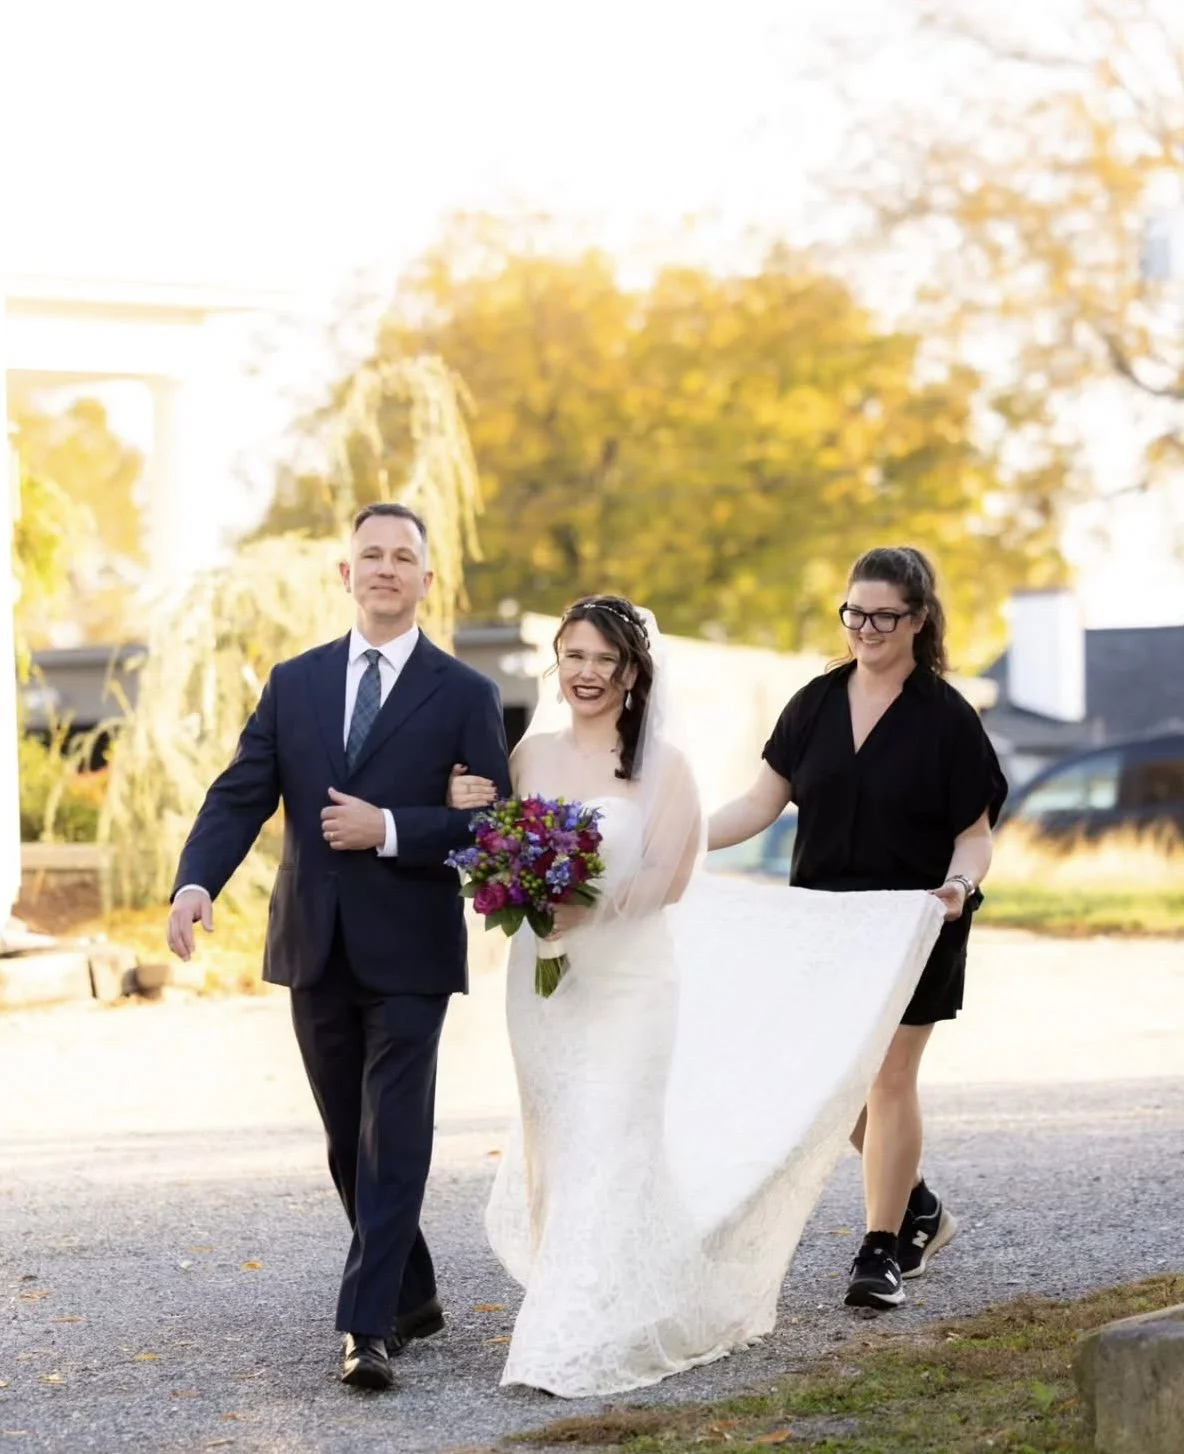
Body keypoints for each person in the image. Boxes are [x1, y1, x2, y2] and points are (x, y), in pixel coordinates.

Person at [445, 595, 946, 1396]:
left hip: (631, 987)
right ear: (558, 662)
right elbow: (501, 844)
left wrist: (589, 901)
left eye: (606, 661)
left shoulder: (664, 766)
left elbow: (671, 878)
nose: (588, 674)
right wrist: (515, 883)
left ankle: (576, 1326)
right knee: (556, 1137)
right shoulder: (527, 756)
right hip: (546, 986)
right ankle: (598, 1284)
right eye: (575, 656)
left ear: (634, 673)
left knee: (613, 1134)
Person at [164, 502, 511, 1392]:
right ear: (345, 574)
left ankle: (367, 1329)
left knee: (392, 1136)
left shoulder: (466, 694)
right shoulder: (295, 682)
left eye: (404, 557)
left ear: (427, 580)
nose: (387, 568)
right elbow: (241, 793)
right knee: (344, 1144)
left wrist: (391, 827)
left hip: (411, 953)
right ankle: (416, 1289)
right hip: (313, 945)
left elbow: (495, 830)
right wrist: (197, 881)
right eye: (372, 555)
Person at [707, 546, 1007, 1312]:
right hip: (827, 925)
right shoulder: (812, 704)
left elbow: (974, 833)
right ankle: (921, 1209)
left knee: (888, 1075)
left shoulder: (946, 719)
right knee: (835, 1087)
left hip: (917, 918)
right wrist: (668, 841)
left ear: (918, 621)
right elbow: (756, 805)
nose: (865, 629)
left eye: (882, 616)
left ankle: (881, 1251)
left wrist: (961, 884)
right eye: (854, 613)